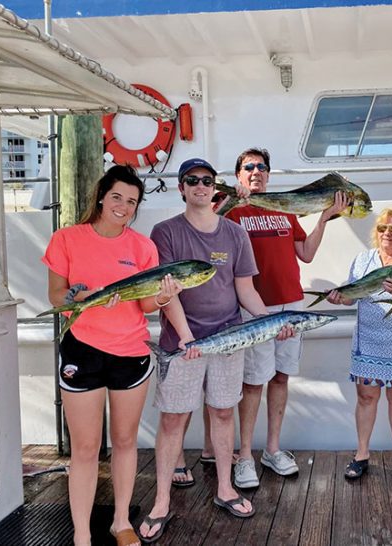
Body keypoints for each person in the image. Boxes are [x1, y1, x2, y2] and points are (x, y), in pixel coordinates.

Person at [139, 158, 292, 542]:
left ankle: (225, 487)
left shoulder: (235, 233)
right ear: (182, 187)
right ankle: (161, 501)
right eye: (192, 180)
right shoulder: (166, 232)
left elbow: (246, 290)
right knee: (173, 419)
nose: (200, 186)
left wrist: (272, 322)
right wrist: (187, 336)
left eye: (207, 180)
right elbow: (166, 292)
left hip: (228, 339)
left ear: (215, 188)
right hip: (182, 341)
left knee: (223, 412)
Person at [42, 165, 182, 546]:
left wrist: (167, 294)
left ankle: (121, 522)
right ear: (102, 196)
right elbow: (57, 297)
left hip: (130, 355)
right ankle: (82, 533)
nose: (123, 206)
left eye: (132, 201)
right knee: (85, 448)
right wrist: (81, 298)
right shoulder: (66, 239)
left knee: (124, 441)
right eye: (117, 197)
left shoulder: (142, 247)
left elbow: (149, 305)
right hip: (82, 351)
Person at [225, 148, 349, 489]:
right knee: (253, 383)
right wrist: (228, 202)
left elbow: (306, 255)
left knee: (280, 379)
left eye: (262, 167)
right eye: (248, 167)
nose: (256, 172)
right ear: (238, 175)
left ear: (269, 174)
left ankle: (273, 450)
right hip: (254, 309)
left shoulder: (283, 209)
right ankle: (245, 457)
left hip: (291, 306)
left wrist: (324, 218)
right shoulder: (233, 210)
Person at [326, 209, 392, 483]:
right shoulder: (363, 260)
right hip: (368, 340)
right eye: (382, 228)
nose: (387, 234)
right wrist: (338, 297)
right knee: (367, 398)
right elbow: (351, 297)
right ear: (375, 232)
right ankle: (361, 455)